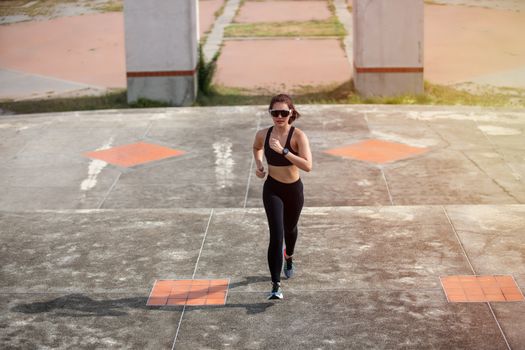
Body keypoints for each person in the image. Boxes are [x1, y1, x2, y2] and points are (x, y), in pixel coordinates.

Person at [252, 94, 312, 300]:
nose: (279, 116)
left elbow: (308, 165)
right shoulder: (263, 134)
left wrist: (284, 151)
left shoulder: (298, 136)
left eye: (283, 113)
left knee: (290, 229)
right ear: (270, 114)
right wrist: (259, 165)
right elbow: (256, 147)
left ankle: (290, 256)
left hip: (293, 190)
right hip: (272, 189)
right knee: (276, 236)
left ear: (291, 113)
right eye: (274, 112)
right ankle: (275, 285)